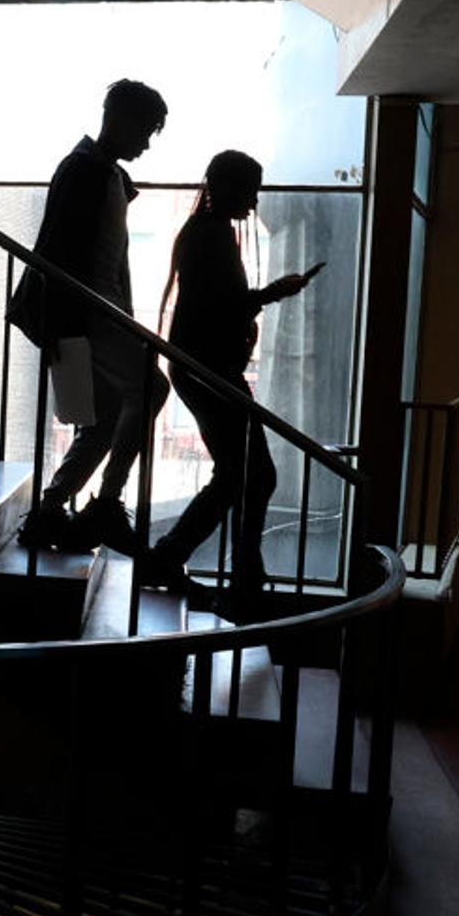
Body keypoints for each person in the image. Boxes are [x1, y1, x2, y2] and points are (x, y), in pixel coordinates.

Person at [139, 150, 319, 613]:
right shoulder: (213, 237)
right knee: (252, 475)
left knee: (243, 474)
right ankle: (232, 576)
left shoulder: (205, 232)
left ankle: (197, 564)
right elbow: (225, 307)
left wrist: (259, 300)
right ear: (227, 187)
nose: (254, 200)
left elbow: (213, 305)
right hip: (210, 370)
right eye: (249, 189)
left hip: (202, 368)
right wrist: (273, 293)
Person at [9, 79, 171, 554]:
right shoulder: (86, 171)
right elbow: (58, 251)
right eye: (145, 131)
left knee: (102, 419)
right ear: (118, 120)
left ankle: (52, 508)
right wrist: (62, 324)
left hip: (96, 312)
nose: (146, 142)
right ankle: (104, 502)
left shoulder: (101, 172)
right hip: (87, 312)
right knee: (150, 389)